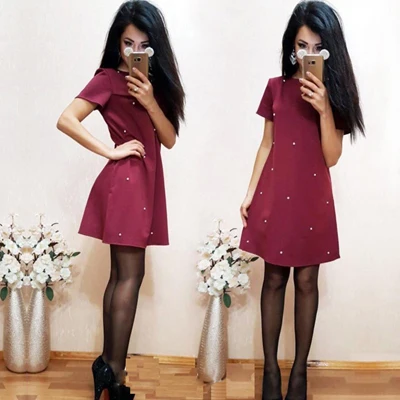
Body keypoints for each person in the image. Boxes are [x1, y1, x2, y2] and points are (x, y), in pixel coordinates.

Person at [56, 1, 185, 398]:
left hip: (145, 182)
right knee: (129, 276)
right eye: (128, 43)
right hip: (128, 182)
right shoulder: (108, 80)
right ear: (117, 44)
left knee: (120, 276)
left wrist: (149, 100)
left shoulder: (156, 85)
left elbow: (169, 139)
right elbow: (66, 119)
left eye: (144, 45)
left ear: (155, 47)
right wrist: (110, 151)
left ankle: (107, 368)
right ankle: (114, 374)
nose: (135, 52)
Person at [239, 1, 364, 399]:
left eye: (318, 48)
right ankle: (270, 372)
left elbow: (332, 157)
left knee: (307, 280)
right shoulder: (276, 87)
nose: (309, 54)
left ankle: (299, 374)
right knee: (274, 278)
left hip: (312, 197)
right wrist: (249, 192)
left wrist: (324, 109)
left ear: (330, 50)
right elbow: (266, 144)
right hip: (276, 193)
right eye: (302, 46)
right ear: (291, 47)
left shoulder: (336, 94)